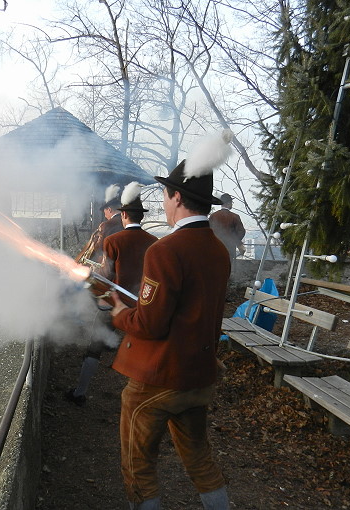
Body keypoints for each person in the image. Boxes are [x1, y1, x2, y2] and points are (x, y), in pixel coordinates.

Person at [109, 130, 233, 510]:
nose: (163, 202)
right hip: (198, 374)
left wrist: (120, 313)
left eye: (165, 195)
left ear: (177, 197)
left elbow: (150, 325)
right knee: (200, 459)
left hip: (159, 379)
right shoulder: (218, 249)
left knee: (138, 465)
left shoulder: (166, 250)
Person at [65, 182, 157, 406]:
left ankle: (80, 393)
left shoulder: (113, 241)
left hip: (113, 304)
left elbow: (106, 272)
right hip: (140, 305)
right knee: (143, 350)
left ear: (124, 214)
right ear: (141, 217)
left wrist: (89, 269)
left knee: (94, 347)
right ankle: (142, 396)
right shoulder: (154, 243)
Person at [75, 184, 125, 266]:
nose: (105, 214)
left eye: (104, 211)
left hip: (108, 265)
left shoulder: (106, 225)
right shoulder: (127, 223)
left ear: (109, 209)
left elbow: (98, 248)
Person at [209, 193, 245, 267]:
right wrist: (237, 242)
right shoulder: (234, 217)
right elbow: (241, 232)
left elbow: (208, 231)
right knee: (228, 268)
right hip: (229, 249)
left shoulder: (213, 216)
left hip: (215, 248)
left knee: (216, 268)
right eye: (231, 202)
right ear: (228, 203)